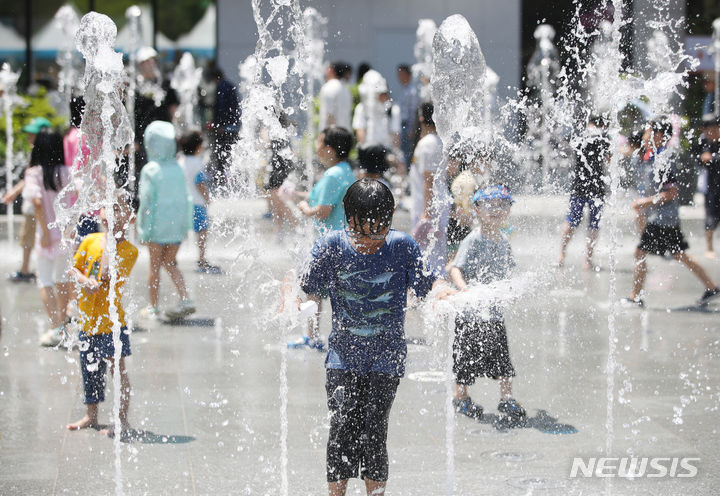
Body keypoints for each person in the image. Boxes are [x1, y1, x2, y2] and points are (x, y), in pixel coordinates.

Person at [283, 178, 453, 496]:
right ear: (348, 218)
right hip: (342, 358)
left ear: (390, 220)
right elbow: (305, 287)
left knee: (375, 430)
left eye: (380, 229)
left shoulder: (401, 246)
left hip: (386, 358)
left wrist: (442, 290)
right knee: (341, 430)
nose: (371, 238)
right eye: (362, 230)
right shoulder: (331, 245)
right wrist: (291, 296)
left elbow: (428, 283)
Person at [448, 185, 526, 421]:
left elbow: (508, 273)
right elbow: (455, 269)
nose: (495, 210)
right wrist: (465, 289)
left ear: (508, 211)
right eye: (488, 205)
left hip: (493, 313)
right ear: (477, 210)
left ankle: (507, 398)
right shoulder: (473, 240)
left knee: (503, 358)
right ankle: (460, 397)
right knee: (464, 359)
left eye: (502, 205)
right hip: (470, 312)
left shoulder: (503, 241)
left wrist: (512, 289)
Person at [622, 119, 720, 308]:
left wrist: (644, 202)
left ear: (658, 135)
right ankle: (712, 287)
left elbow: (672, 193)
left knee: (640, 252)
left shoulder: (664, 159)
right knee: (679, 254)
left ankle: (635, 297)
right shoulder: (653, 156)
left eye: (648, 131)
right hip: (663, 217)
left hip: (663, 218)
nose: (645, 134)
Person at [67, 197, 138, 439]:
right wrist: (84, 280)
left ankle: (122, 419)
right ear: (102, 214)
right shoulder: (89, 240)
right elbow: (74, 268)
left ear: (132, 218)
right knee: (90, 370)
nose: (114, 213)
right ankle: (91, 415)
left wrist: (112, 238)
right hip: (87, 321)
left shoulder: (129, 250)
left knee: (117, 371)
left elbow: (106, 273)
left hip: (112, 324)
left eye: (121, 209)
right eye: (111, 207)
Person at [290, 127, 356, 349]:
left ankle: (312, 336)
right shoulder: (345, 170)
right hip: (343, 239)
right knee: (334, 292)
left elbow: (323, 210)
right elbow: (325, 197)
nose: (316, 149)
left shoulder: (332, 174)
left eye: (319, 143)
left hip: (327, 243)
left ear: (329, 149)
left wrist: (303, 208)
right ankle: (340, 336)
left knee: (313, 290)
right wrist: (299, 195)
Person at [137, 121, 195, 321]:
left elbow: (146, 202)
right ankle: (186, 299)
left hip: (156, 227)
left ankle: (153, 307)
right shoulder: (177, 168)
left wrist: (142, 229)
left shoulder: (150, 170)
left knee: (154, 266)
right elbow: (186, 198)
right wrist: (186, 226)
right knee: (170, 263)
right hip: (176, 227)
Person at [22, 128, 74, 347]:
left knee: (45, 281)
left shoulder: (34, 173)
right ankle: (63, 324)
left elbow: (36, 203)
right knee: (62, 280)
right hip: (65, 234)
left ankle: (56, 327)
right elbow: (78, 197)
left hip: (46, 236)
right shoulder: (66, 172)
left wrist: (44, 231)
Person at [557, 115, 611, 270]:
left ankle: (561, 255)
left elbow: (565, 148)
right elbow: (608, 160)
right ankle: (587, 260)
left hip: (579, 185)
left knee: (572, 220)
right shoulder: (603, 138)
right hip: (597, 187)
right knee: (593, 224)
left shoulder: (579, 135)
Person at [4, 117, 52, 282]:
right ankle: (29, 269)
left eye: (32, 134)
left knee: (31, 238)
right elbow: (28, 177)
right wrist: (15, 191)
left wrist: (14, 191)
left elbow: (31, 177)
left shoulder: (41, 154)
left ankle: (27, 270)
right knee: (30, 238)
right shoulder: (44, 153)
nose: (28, 137)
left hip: (35, 204)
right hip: (35, 203)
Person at [410, 102, 449, 274]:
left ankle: (432, 288)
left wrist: (427, 212)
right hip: (433, 205)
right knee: (432, 252)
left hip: (429, 207)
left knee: (428, 254)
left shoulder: (428, 143)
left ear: (420, 118)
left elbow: (429, 179)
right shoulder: (435, 141)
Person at [179, 130, 221, 273]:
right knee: (202, 231)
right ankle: (201, 259)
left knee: (181, 231)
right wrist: (208, 199)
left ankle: (172, 257)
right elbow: (200, 183)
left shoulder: (180, 160)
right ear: (198, 147)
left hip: (183, 203)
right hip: (197, 203)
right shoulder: (197, 162)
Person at [205, 66, 241, 190]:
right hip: (233, 127)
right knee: (229, 153)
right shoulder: (230, 85)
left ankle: (220, 181)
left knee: (220, 154)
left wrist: (219, 125)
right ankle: (228, 179)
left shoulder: (220, 86)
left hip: (224, 128)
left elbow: (221, 108)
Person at [352, 70, 401, 153]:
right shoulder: (362, 109)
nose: (381, 96)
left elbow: (396, 133)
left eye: (383, 93)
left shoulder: (392, 109)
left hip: (387, 151)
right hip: (369, 151)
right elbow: (360, 130)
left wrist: (396, 153)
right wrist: (362, 151)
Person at [698, 116, 720, 258]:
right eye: (709, 129)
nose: (712, 132)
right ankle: (709, 248)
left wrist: (711, 158)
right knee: (710, 218)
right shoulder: (703, 143)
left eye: (715, 129)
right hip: (711, 187)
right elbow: (697, 159)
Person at [319, 62, 353, 133]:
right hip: (346, 133)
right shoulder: (346, 89)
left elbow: (329, 114)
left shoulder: (328, 87)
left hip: (332, 135)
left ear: (331, 70)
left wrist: (332, 136)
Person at [396, 64, 419, 167]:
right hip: (403, 125)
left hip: (407, 126)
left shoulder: (412, 91)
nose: (399, 77)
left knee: (407, 153)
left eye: (401, 74)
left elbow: (413, 111)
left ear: (407, 74)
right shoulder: (405, 90)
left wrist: (411, 128)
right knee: (403, 152)